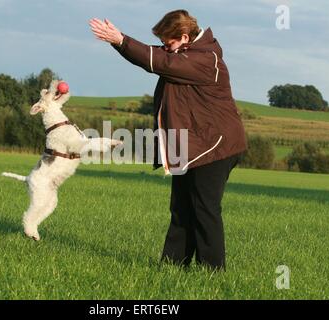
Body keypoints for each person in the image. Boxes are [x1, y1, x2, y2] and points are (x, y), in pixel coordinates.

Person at [89, 9, 247, 270]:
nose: (165, 47)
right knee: (181, 208)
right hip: (193, 144)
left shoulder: (205, 59)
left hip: (215, 145)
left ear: (185, 37)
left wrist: (121, 40)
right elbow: (156, 57)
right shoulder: (183, 52)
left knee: (204, 209)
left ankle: (212, 271)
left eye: (169, 42)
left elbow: (161, 62)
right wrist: (118, 42)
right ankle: (173, 267)